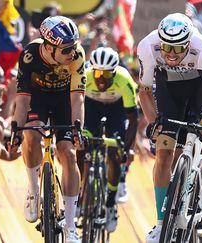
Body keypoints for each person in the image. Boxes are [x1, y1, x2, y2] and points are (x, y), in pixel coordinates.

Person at [137, 13, 202, 242]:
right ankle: (161, 223)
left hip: (200, 87)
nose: (171, 54)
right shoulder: (147, 47)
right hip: (168, 89)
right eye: (166, 47)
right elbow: (143, 93)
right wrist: (154, 123)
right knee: (163, 155)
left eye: (178, 48)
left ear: (189, 43)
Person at [11, 16, 85, 243]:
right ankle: (34, 190)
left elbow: (77, 99)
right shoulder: (29, 55)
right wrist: (16, 130)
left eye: (73, 47)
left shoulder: (78, 56)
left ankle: (71, 225)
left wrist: (77, 130)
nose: (71, 53)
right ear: (48, 46)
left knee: (68, 154)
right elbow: (22, 100)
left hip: (65, 101)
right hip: (38, 99)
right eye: (66, 50)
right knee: (31, 135)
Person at [82, 46, 138, 232]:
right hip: (91, 107)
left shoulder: (125, 80)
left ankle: (110, 204)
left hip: (116, 109)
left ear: (114, 73)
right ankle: (80, 194)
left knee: (114, 152)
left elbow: (133, 119)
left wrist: (127, 148)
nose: (101, 79)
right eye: (97, 73)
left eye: (106, 75)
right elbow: (74, 106)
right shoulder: (85, 77)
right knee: (83, 146)